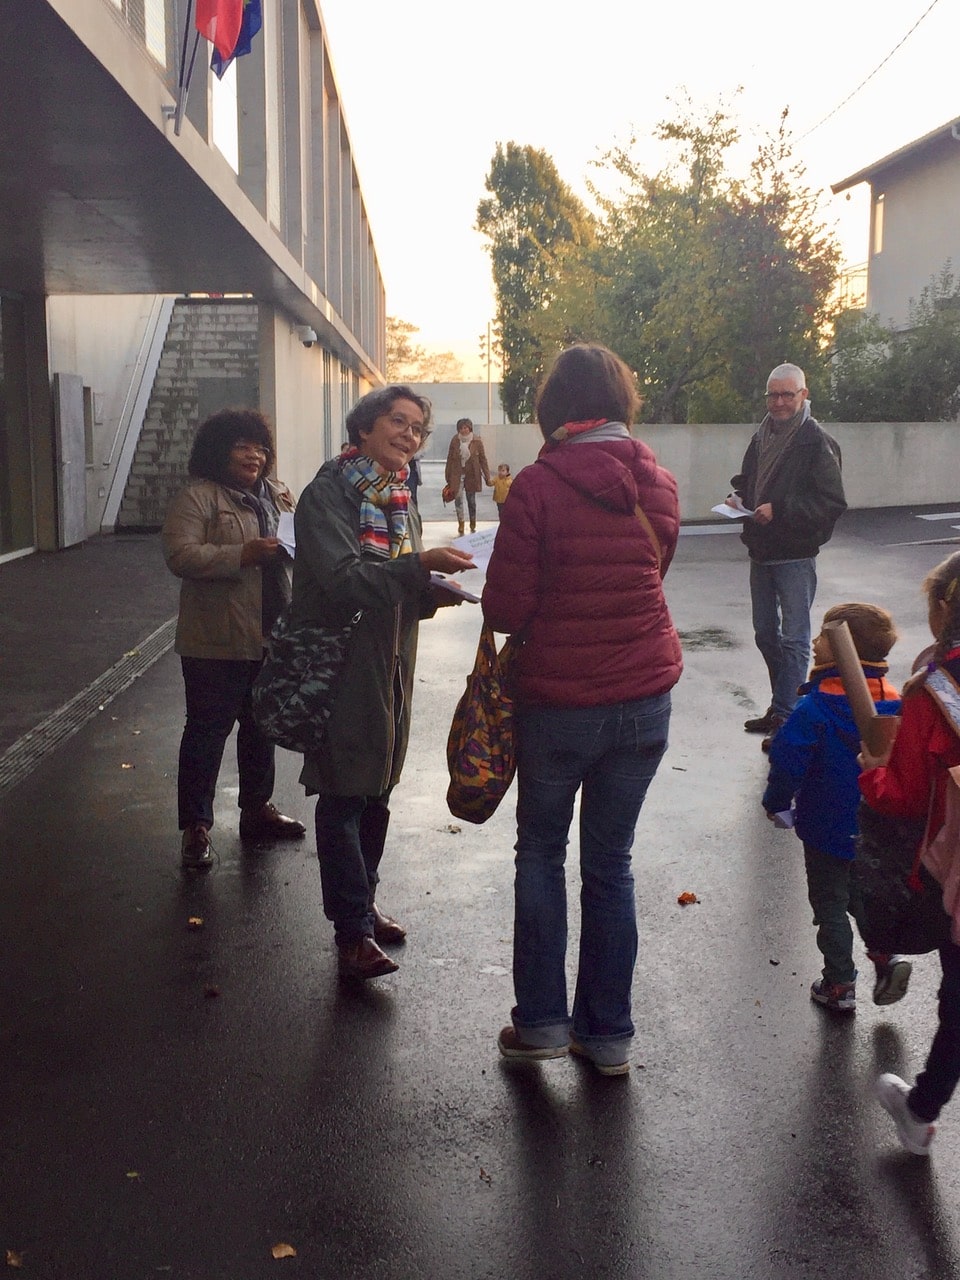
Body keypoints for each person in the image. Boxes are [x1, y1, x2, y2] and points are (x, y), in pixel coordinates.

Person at [482, 342, 682, 1076]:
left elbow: (506, 608)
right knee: (612, 865)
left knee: (539, 852)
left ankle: (539, 1023)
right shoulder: (654, 479)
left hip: (559, 704)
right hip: (644, 699)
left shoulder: (536, 485)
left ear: (556, 407)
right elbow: (653, 571)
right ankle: (607, 1039)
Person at [292, 385, 475, 981]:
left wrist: (434, 593)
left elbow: (397, 581)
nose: (410, 435)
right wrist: (418, 569)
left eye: (418, 428)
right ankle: (351, 933)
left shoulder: (398, 494)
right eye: (398, 422)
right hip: (343, 661)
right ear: (364, 428)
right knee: (345, 789)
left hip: (393, 658)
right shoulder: (329, 494)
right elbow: (345, 582)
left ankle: (364, 903)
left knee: (379, 787)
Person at [162, 409, 307, 871]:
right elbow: (181, 556)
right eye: (243, 446)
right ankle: (196, 827)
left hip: (269, 634)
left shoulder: (278, 496)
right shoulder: (198, 498)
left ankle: (256, 810)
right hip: (215, 638)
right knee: (207, 732)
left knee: (261, 727)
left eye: (261, 447)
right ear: (218, 451)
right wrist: (241, 554)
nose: (254, 455)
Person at [860, 552, 960, 1155]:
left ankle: (921, 1112)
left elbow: (903, 796)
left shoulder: (937, 687)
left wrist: (869, 771)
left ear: (944, 607)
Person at [762, 603, 905, 1013]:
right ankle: (884, 955)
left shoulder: (816, 707)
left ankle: (840, 983)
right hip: (876, 823)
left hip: (825, 825)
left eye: (823, 636)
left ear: (843, 649)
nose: (814, 641)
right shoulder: (894, 702)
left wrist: (775, 803)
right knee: (862, 895)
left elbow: (788, 760)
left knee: (829, 903)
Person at [730, 363, 846, 752]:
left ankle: (788, 715)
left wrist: (779, 509)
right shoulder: (762, 435)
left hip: (794, 554)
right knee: (765, 632)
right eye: (773, 395)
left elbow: (830, 502)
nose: (779, 402)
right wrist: (739, 499)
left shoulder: (817, 441)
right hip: (761, 550)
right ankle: (783, 706)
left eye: (787, 395)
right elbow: (751, 481)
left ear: (803, 395)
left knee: (794, 639)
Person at [445, 417, 491, 534]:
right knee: (458, 498)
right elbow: (449, 458)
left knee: (471, 500)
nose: (463, 430)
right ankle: (461, 522)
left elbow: (483, 460)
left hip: (472, 474)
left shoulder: (477, 441)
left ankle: (472, 522)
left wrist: (487, 476)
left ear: (470, 428)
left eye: (465, 428)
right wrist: (448, 476)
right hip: (457, 474)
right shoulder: (455, 440)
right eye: (461, 428)